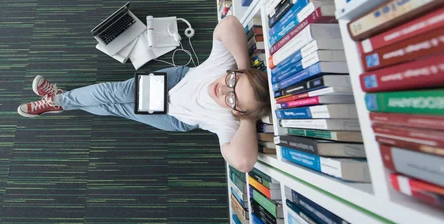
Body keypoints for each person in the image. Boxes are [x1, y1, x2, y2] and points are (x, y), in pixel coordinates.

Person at [18, 15, 270, 173]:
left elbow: (244, 162)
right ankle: (59, 100)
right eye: (233, 80)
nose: (223, 88)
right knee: (114, 91)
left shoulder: (229, 122)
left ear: (238, 112)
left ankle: (60, 102)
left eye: (232, 98)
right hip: (175, 81)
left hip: (173, 117)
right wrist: (243, 70)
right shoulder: (226, 66)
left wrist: (245, 117)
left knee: (115, 107)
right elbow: (229, 23)